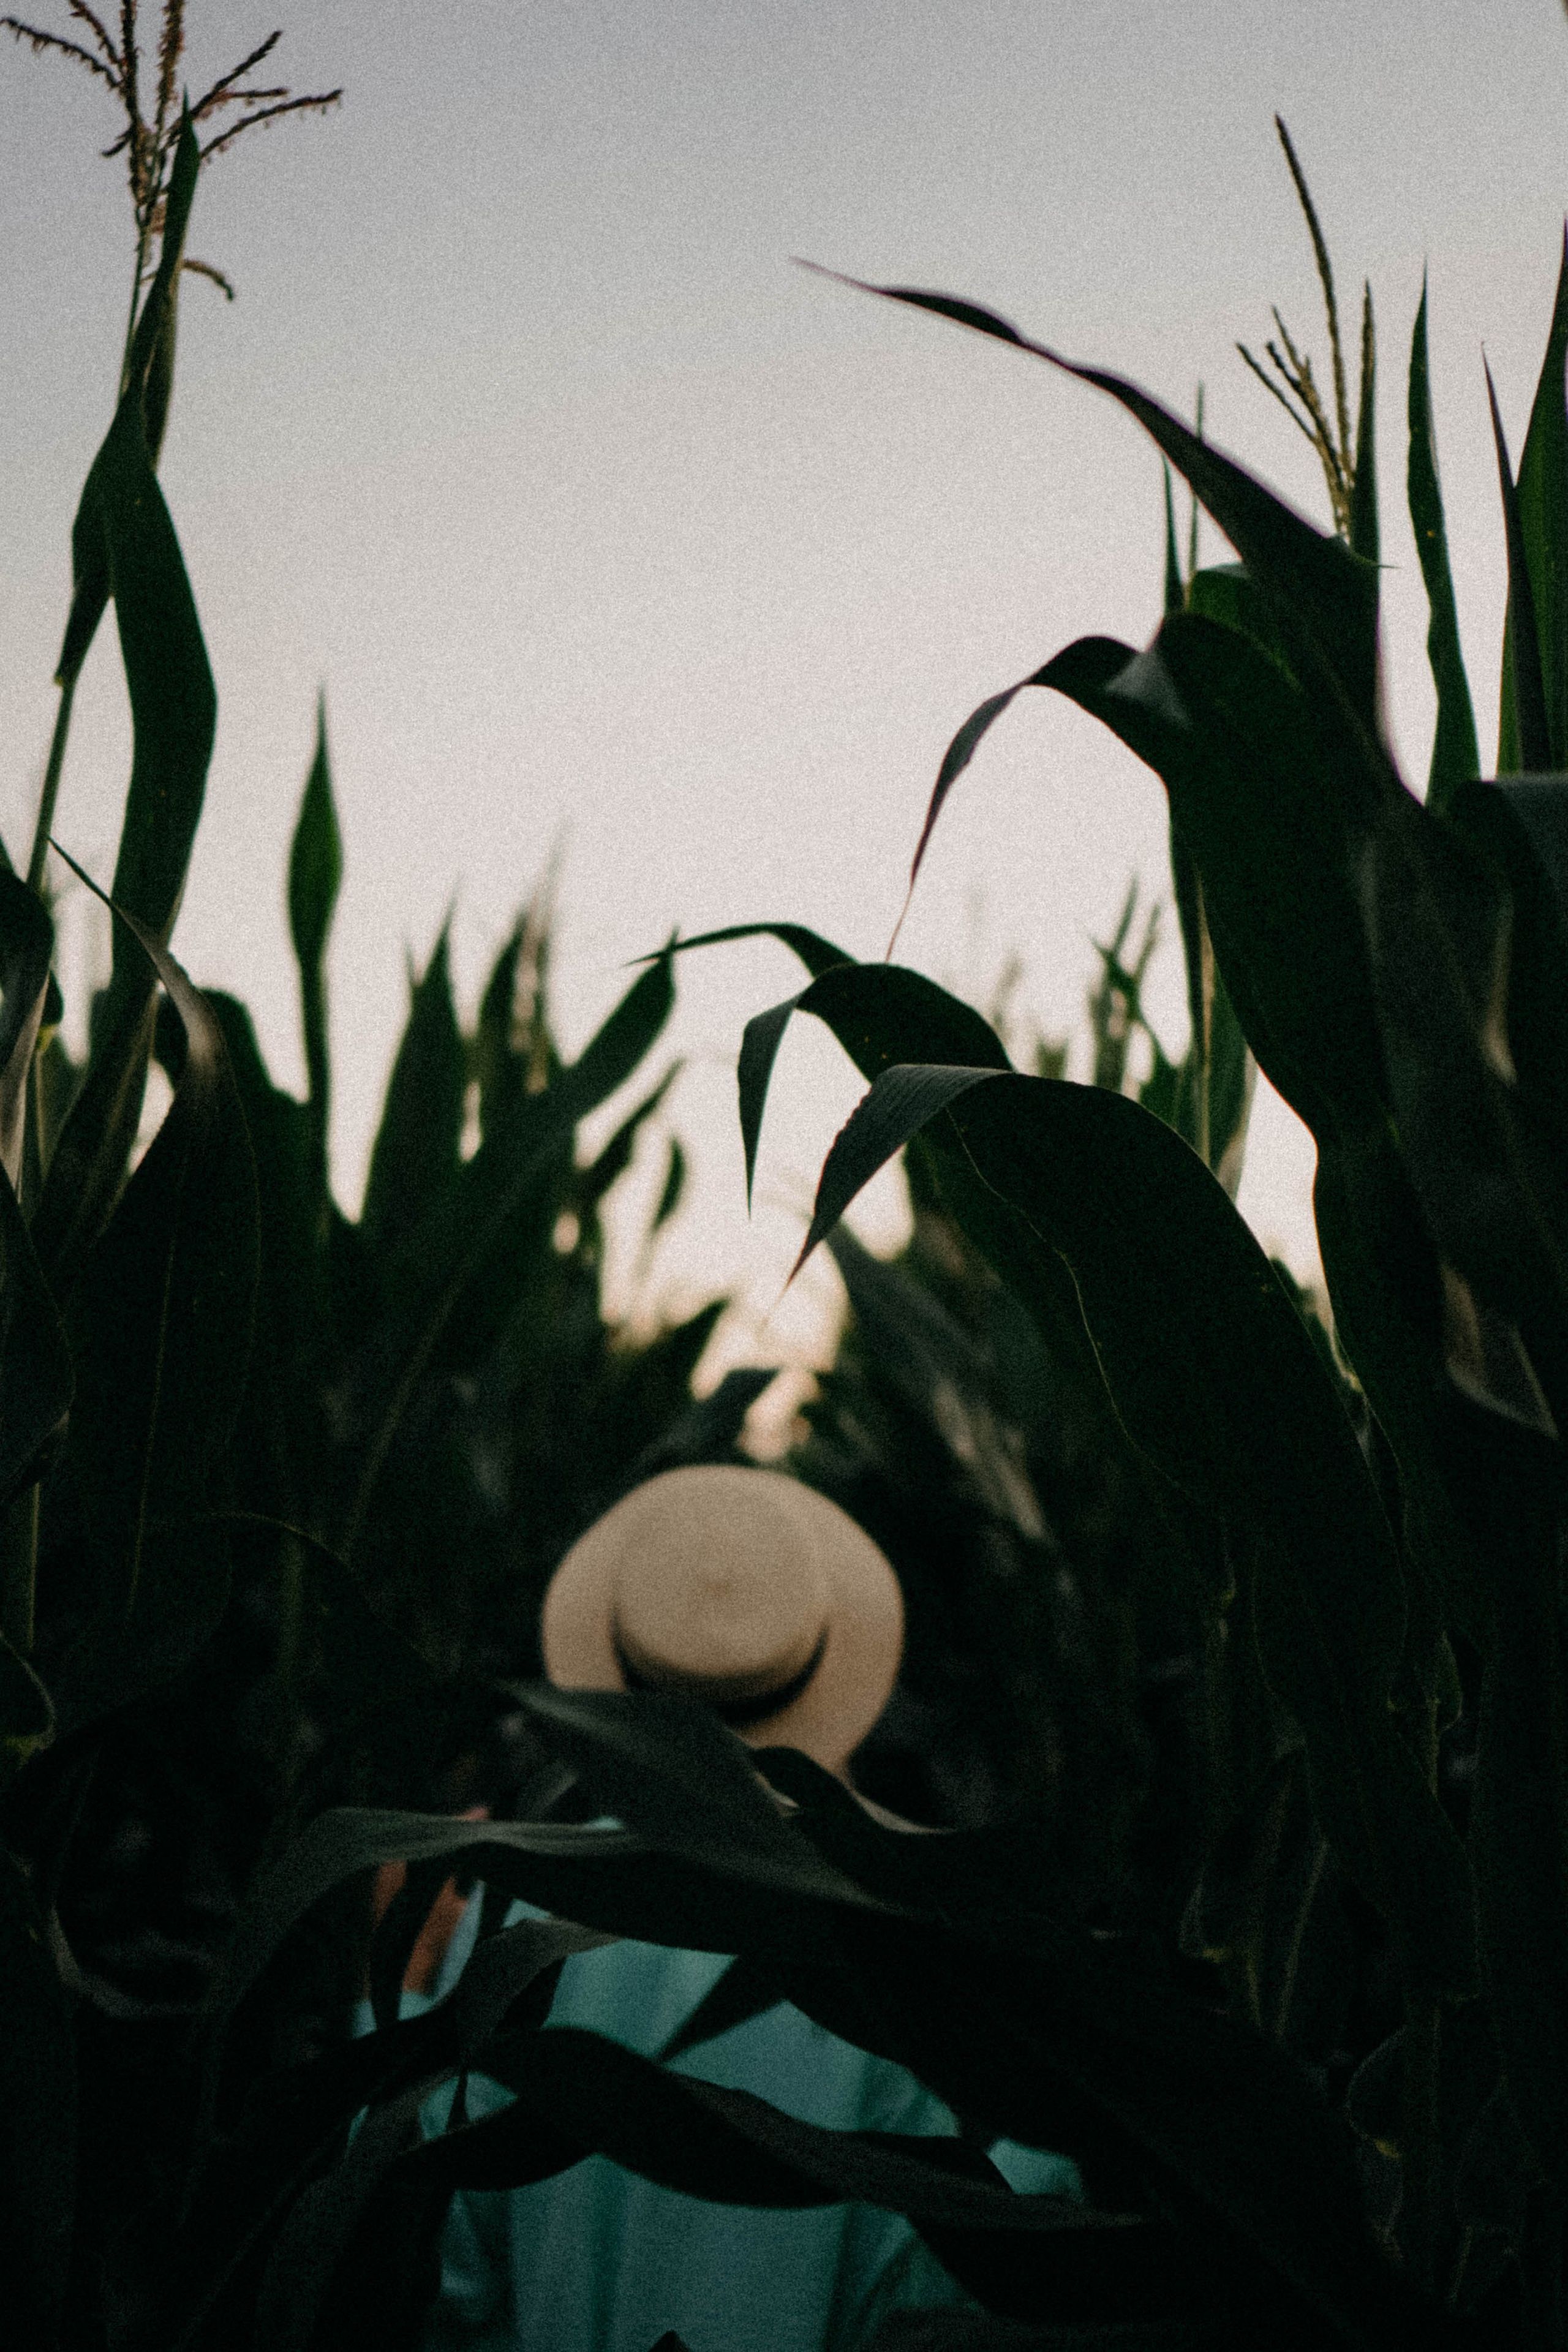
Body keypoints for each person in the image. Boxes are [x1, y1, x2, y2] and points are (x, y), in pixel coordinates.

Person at [368, 1465, 1079, 2351]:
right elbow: (939, 2300)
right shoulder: (894, 1947)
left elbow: (427, 2267)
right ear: (824, 1670)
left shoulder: (519, 1916)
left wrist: (391, 1989)